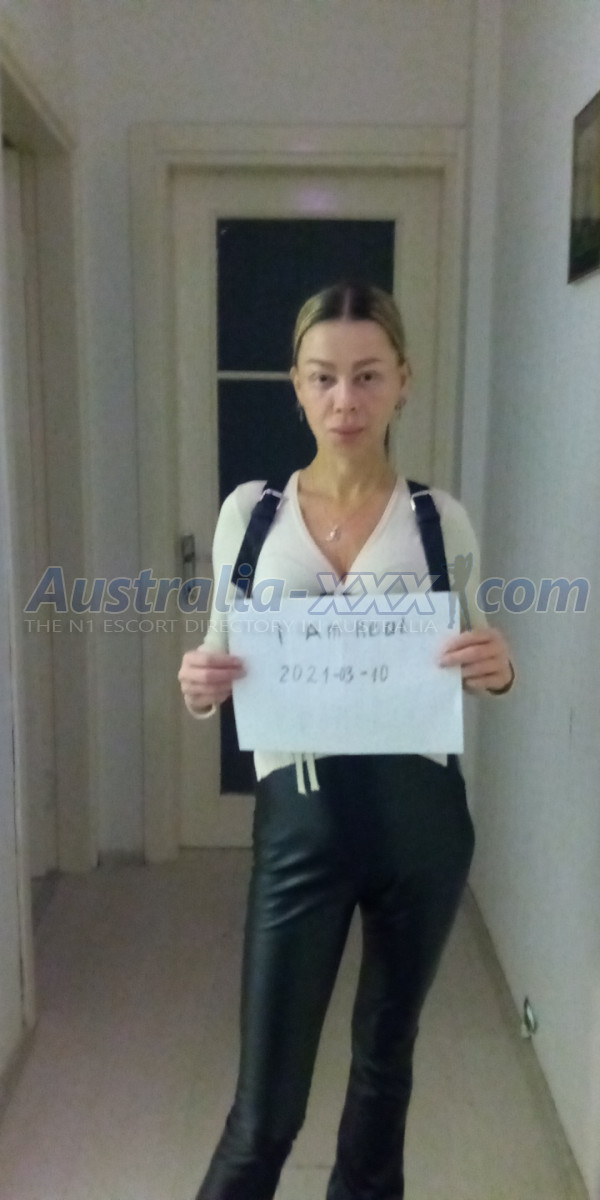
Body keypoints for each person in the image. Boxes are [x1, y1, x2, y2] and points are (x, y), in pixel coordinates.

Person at [177, 282, 515, 1200]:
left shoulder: (439, 520)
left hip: (422, 826)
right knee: (263, 1116)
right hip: (302, 828)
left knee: (383, 1069)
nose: (345, 401)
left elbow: (476, 647)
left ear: (403, 380)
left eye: (368, 376)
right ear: (296, 385)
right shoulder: (251, 516)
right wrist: (200, 687)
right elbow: (216, 652)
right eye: (323, 377)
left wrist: (497, 668)